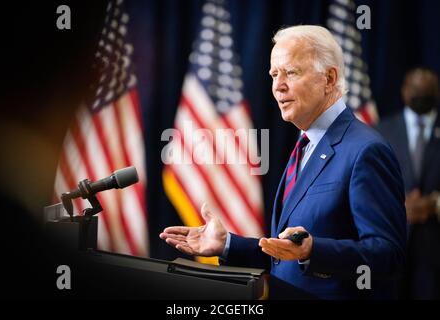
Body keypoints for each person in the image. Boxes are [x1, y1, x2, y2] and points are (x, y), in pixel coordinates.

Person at [160, 25, 407, 299]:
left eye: (291, 72)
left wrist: (314, 251)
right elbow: (285, 255)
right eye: (274, 74)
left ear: (329, 78)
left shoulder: (365, 150)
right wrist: (228, 244)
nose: (278, 86)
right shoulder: (305, 145)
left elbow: (388, 255)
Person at [376, 68, 440, 299]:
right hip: (392, 243)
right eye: (416, 90)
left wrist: (434, 204)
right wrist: (398, 205)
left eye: (427, 90)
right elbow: (368, 185)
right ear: (404, 92)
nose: (421, 94)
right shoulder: (380, 130)